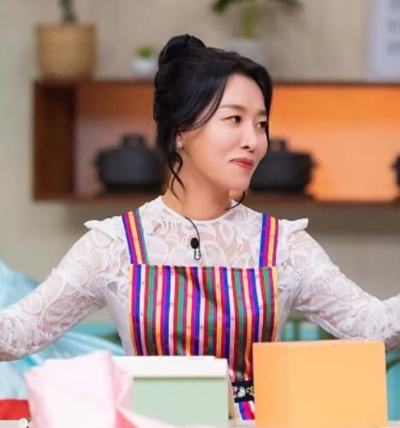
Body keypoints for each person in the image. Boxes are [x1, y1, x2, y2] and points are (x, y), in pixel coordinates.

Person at [1, 34, 400, 420]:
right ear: (181, 131)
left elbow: (372, 328)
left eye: (261, 124)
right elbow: (19, 333)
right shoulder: (116, 244)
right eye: (235, 119)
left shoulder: (283, 245)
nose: (253, 140)